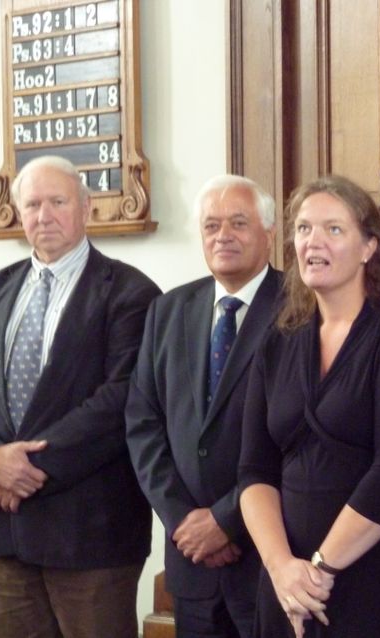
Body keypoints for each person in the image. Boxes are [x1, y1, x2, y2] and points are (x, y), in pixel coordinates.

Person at [0, 155, 160, 637]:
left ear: (86, 208)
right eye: (32, 204)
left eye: (57, 201)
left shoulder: (132, 293)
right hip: (5, 536)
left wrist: (25, 468)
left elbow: (120, 400)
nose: (43, 215)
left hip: (92, 538)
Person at [238, 175, 380, 637]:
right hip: (286, 579)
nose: (314, 241)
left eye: (334, 229)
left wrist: (320, 570)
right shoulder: (278, 338)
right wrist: (281, 569)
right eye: (304, 229)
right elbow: (254, 470)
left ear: (369, 247)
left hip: (377, 575)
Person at [126, 175, 282, 637]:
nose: (223, 235)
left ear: (269, 233)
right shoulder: (169, 310)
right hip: (191, 559)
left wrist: (227, 520)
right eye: (212, 225)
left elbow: (299, 439)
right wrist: (184, 522)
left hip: (267, 557)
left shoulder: (301, 309)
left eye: (238, 223)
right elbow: (143, 424)